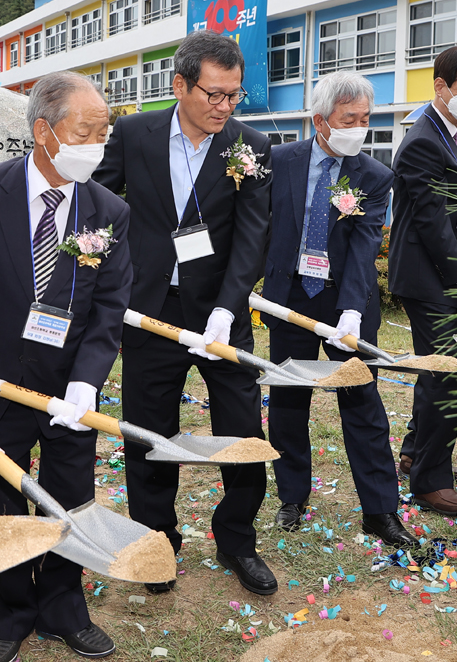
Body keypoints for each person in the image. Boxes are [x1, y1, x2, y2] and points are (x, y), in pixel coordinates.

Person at [0, 71, 132, 662]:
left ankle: (62, 606)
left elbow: (110, 305)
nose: (97, 144)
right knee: (1, 495)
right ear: (43, 132)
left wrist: (87, 380)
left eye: (104, 133)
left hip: (69, 383)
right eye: (86, 131)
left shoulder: (108, 210)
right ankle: (10, 614)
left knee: (70, 494)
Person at [94, 32, 276, 596]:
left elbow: (252, 235)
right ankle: (158, 540)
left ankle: (237, 539)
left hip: (221, 316)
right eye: (213, 94)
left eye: (234, 95)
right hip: (151, 313)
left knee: (242, 431)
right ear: (180, 85)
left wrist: (227, 307)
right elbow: (99, 207)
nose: (224, 107)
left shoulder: (251, 145)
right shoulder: (133, 134)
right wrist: (108, 284)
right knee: (150, 434)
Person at [261, 72, 418, 552]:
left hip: (345, 302)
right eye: (349, 118)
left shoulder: (374, 176)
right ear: (319, 120)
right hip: (290, 300)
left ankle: (380, 511)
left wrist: (352, 308)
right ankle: (291, 496)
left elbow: (366, 245)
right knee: (288, 403)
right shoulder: (280, 161)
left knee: (362, 406)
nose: (359, 127)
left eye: (365, 119)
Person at [388, 45, 457, 517]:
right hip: (429, 277)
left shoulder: (454, 134)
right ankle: (430, 483)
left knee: (439, 372)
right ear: (441, 86)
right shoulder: (424, 140)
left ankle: (416, 455)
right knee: (445, 379)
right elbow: (431, 221)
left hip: (446, 273)